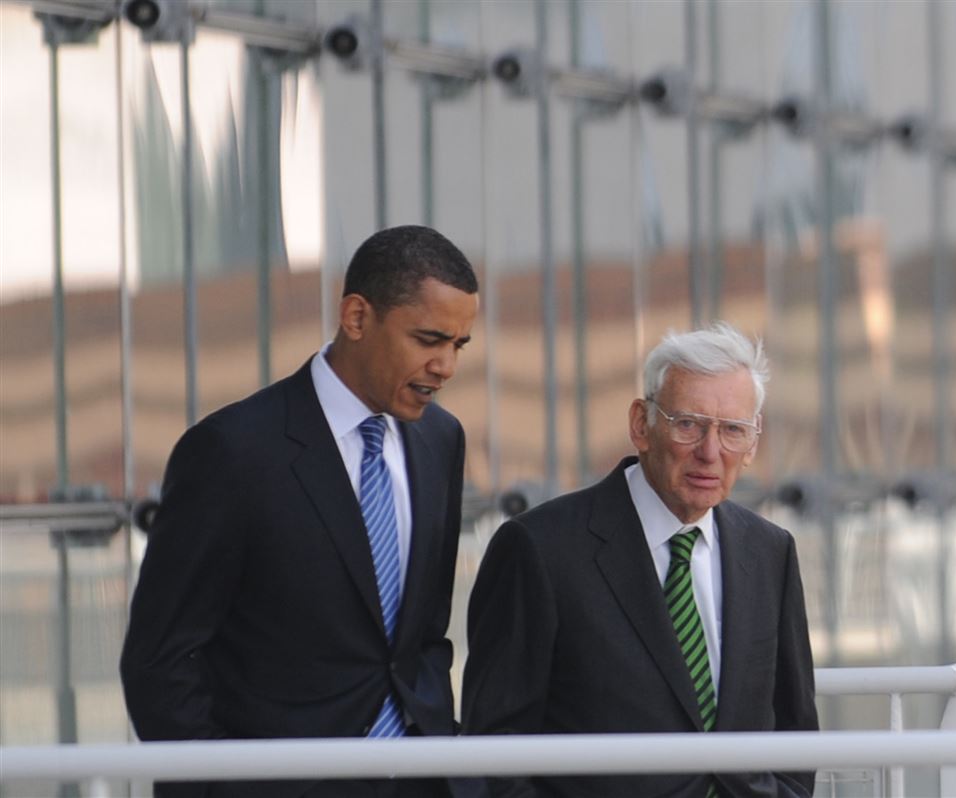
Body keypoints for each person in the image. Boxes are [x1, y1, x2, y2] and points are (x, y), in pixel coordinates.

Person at [121, 225, 479, 798]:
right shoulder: (233, 450)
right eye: (429, 339)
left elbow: (423, 637)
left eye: (458, 345)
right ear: (357, 318)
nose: (445, 366)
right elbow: (159, 660)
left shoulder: (440, 440)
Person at [462, 321, 818, 798]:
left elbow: (795, 729)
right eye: (688, 424)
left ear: (752, 444)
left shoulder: (769, 551)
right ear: (640, 425)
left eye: (733, 430)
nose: (710, 452)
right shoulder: (540, 549)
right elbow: (493, 750)